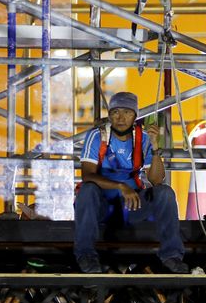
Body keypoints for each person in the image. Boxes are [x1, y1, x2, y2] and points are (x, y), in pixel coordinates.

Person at [75, 92, 188, 274]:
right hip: (101, 207)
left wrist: (155, 147)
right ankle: (86, 256)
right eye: (116, 112)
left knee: (165, 193)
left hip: (131, 206)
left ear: (135, 116)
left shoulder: (142, 138)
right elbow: (87, 175)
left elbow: (156, 180)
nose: (120, 118)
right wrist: (121, 186)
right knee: (87, 190)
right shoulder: (97, 136)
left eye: (127, 112)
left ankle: (171, 256)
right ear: (110, 115)